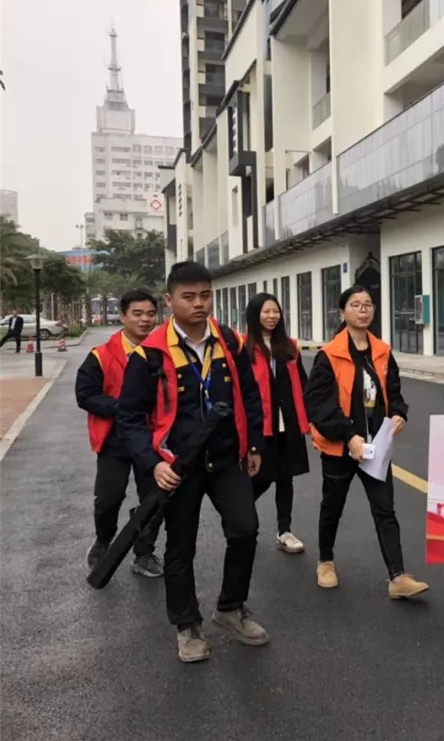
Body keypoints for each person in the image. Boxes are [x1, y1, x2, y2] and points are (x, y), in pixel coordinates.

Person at [115, 261, 267, 664]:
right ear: (170, 300)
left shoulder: (230, 342)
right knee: (181, 548)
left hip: (227, 460)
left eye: (205, 295)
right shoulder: (150, 353)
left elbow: (250, 395)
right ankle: (187, 626)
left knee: (245, 530)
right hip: (177, 468)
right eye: (189, 296)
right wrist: (153, 463)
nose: (199, 304)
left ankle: (230, 608)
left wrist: (253, 445)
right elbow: (129, 418)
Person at [304, 285, 429, 599]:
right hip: (340, 447)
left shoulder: (382, 352)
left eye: (368, 304)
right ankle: (325, 561)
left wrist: (399, 413)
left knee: (385, 510)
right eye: (356, 305)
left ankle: (397, 577)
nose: (363, 310)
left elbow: (394, 391)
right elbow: (318, 405)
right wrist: (348, 435)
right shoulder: (329, 356)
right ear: (342, 312)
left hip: (376, 447)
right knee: (332, 507)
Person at [77, 289, 163, 578]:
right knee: (108, 498)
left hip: (153, 439)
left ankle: (144, 553)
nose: (144, 320)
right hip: (114, 438)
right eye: (137, 314)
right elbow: (85, 395)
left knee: (154, 499)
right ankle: (103, 540)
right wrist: (123, 408)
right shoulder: (100, 355)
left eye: (150, 314)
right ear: (123, 316)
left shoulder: (164, 353)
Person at [242, 292, 310, 554]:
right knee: (259, 478)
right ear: (255, 315)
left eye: (276, 311)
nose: (272, 316)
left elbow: (303, 384)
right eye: (266, 312)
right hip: (261, 426)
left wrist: (311, 419)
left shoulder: (289, 347)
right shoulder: (243, 348)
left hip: (288, 424)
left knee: (285, 478)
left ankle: (284, 531)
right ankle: (241, 521)